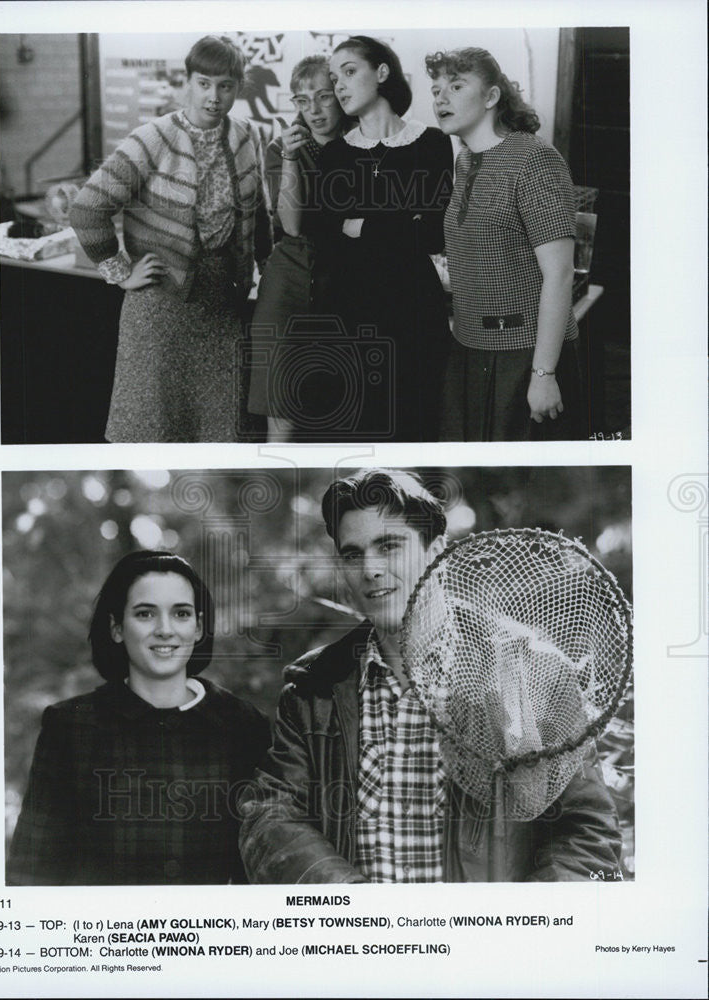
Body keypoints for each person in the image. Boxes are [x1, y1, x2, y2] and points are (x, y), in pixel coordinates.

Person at [239, 469, 622, 883]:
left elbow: (588, 832)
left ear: (436, 551)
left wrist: (516, 928)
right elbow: (270, 813)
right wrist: (348, 903)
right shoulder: (315, 687)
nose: (370, 569)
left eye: (388, 546)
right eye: (353, 554)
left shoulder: (531, 670)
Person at [7, 550, 270, 885]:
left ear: (199, 627)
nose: (165, 630)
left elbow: (260, 868)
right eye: (145, 614)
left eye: (181, 614)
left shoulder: (243, 726)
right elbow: (31, 869)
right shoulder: (70, 727)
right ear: (117, 627)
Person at [70, 35, 272, 443]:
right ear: (188, 81)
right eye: (203, 83)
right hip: (160, 307)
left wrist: (266, 271)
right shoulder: (153, 137)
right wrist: (120, 271)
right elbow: (87, 208)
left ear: (238, 88)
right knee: (152, 429)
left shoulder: (249, 136)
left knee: (218, 433)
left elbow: (259, 215)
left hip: (222, 307)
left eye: (225, 86)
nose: (213, 96)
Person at [427, 47, 584, 441]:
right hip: (468, 349)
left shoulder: (534, 159)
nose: (440, 97)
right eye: (436, 89)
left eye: (456, 85)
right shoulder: (465, 160)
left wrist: (544, 374)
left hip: (525, 356)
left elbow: (560, 274)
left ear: (492, 97)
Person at [309, 37, 453, 441]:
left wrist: (361, 225)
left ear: (382, 73)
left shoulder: (433, 144)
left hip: (414, 311)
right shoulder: (335, 155)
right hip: (349, 312)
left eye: (350, 72)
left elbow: (431, 233)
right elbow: (326, 236)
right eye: (335, 78)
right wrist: (400, 219)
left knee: (412, 426)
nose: (339, 86)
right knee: (354, 431)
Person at [247, 55, 350, 442]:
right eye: (302, 101)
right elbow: (291, 223)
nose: (314, 110)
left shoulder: (360, 141)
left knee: (337, 412)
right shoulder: (281, 148)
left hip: (341, 289)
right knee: (283, 413)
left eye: (324, 97)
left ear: (340, 95)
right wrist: (290, 158)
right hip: (289, 287)